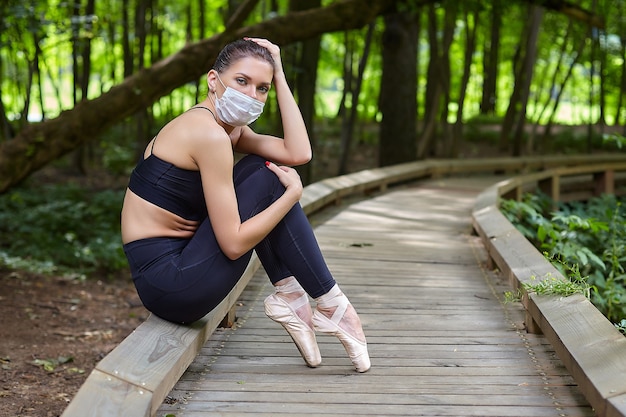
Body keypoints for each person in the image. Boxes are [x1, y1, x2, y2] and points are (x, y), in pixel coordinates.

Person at [120, 38, 370, 373]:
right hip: (173, 286)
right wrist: (292, 197)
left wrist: (279, 75)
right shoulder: (208, 135)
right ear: (213, 80)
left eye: (262, 88)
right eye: (242, 81)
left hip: (183, 264)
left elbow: (299, 153)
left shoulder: (226, 129)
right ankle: (331, 306)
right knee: (269, 179)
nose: (252, 95)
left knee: (260, 167)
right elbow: (234, 243)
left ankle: (296, 299)